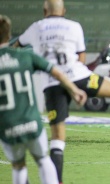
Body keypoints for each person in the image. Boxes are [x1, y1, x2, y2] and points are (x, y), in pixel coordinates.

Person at [13, 0, 110, 183]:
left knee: (57, 139)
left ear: (44, 11)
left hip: (52, 84)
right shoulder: (74, 26)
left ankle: (58, 180)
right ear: (63, 10)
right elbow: (81, 57)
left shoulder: (36, 27)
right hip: (79, 76)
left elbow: (16, 45)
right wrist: (77, 87)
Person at [0, 14, 87, 184]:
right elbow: (56, 72)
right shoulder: (25, 56)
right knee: (42, 159)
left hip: (8, 126)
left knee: (18, 166)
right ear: (9, 36)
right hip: (32, 122)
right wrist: (74, 89)